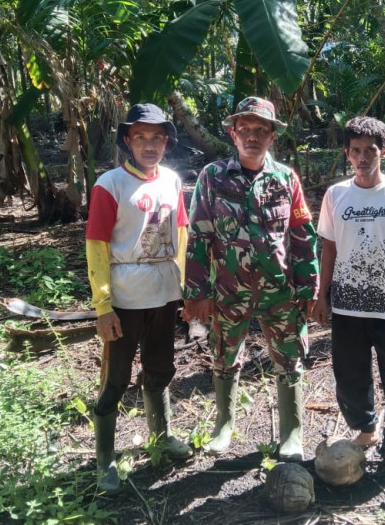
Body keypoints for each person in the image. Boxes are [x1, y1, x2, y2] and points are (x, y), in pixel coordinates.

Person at [182, 97, 319, 462]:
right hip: (229, 289)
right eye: (245, 129)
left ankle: (291, 432)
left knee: (290, 358)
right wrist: (197, 293)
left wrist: (309, 286)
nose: (252, 136)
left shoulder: (286, 178)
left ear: (273, 136)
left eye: (261, 129)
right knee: (224, 356)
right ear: (232, 133)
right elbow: (198, 235)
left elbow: (302, 233)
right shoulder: (211, 177)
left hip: (281, 291)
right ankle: (224, 424)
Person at [311, 116, 385, 483]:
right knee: (349, 374)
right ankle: (365, 428)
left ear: (384, 151)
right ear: (347, 154)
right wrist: (321, 295)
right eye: (356, 151)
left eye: (370, 150)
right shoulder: (336, 195)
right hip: (347, 306)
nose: (363, 157)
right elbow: (329, 249)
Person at [86, 103, 192, 493]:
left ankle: (160, 438)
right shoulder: (110, 184)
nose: (150, 145)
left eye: (158, 137)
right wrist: (102, 305)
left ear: (167, 141)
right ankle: (105, 461)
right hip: (125, 297)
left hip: (164, 292)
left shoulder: (173, 181)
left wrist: (183, 290)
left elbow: (180, 236)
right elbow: (96, 245)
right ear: (128, 141)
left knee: (160, 370)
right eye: (141, 137)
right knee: (116, 380)